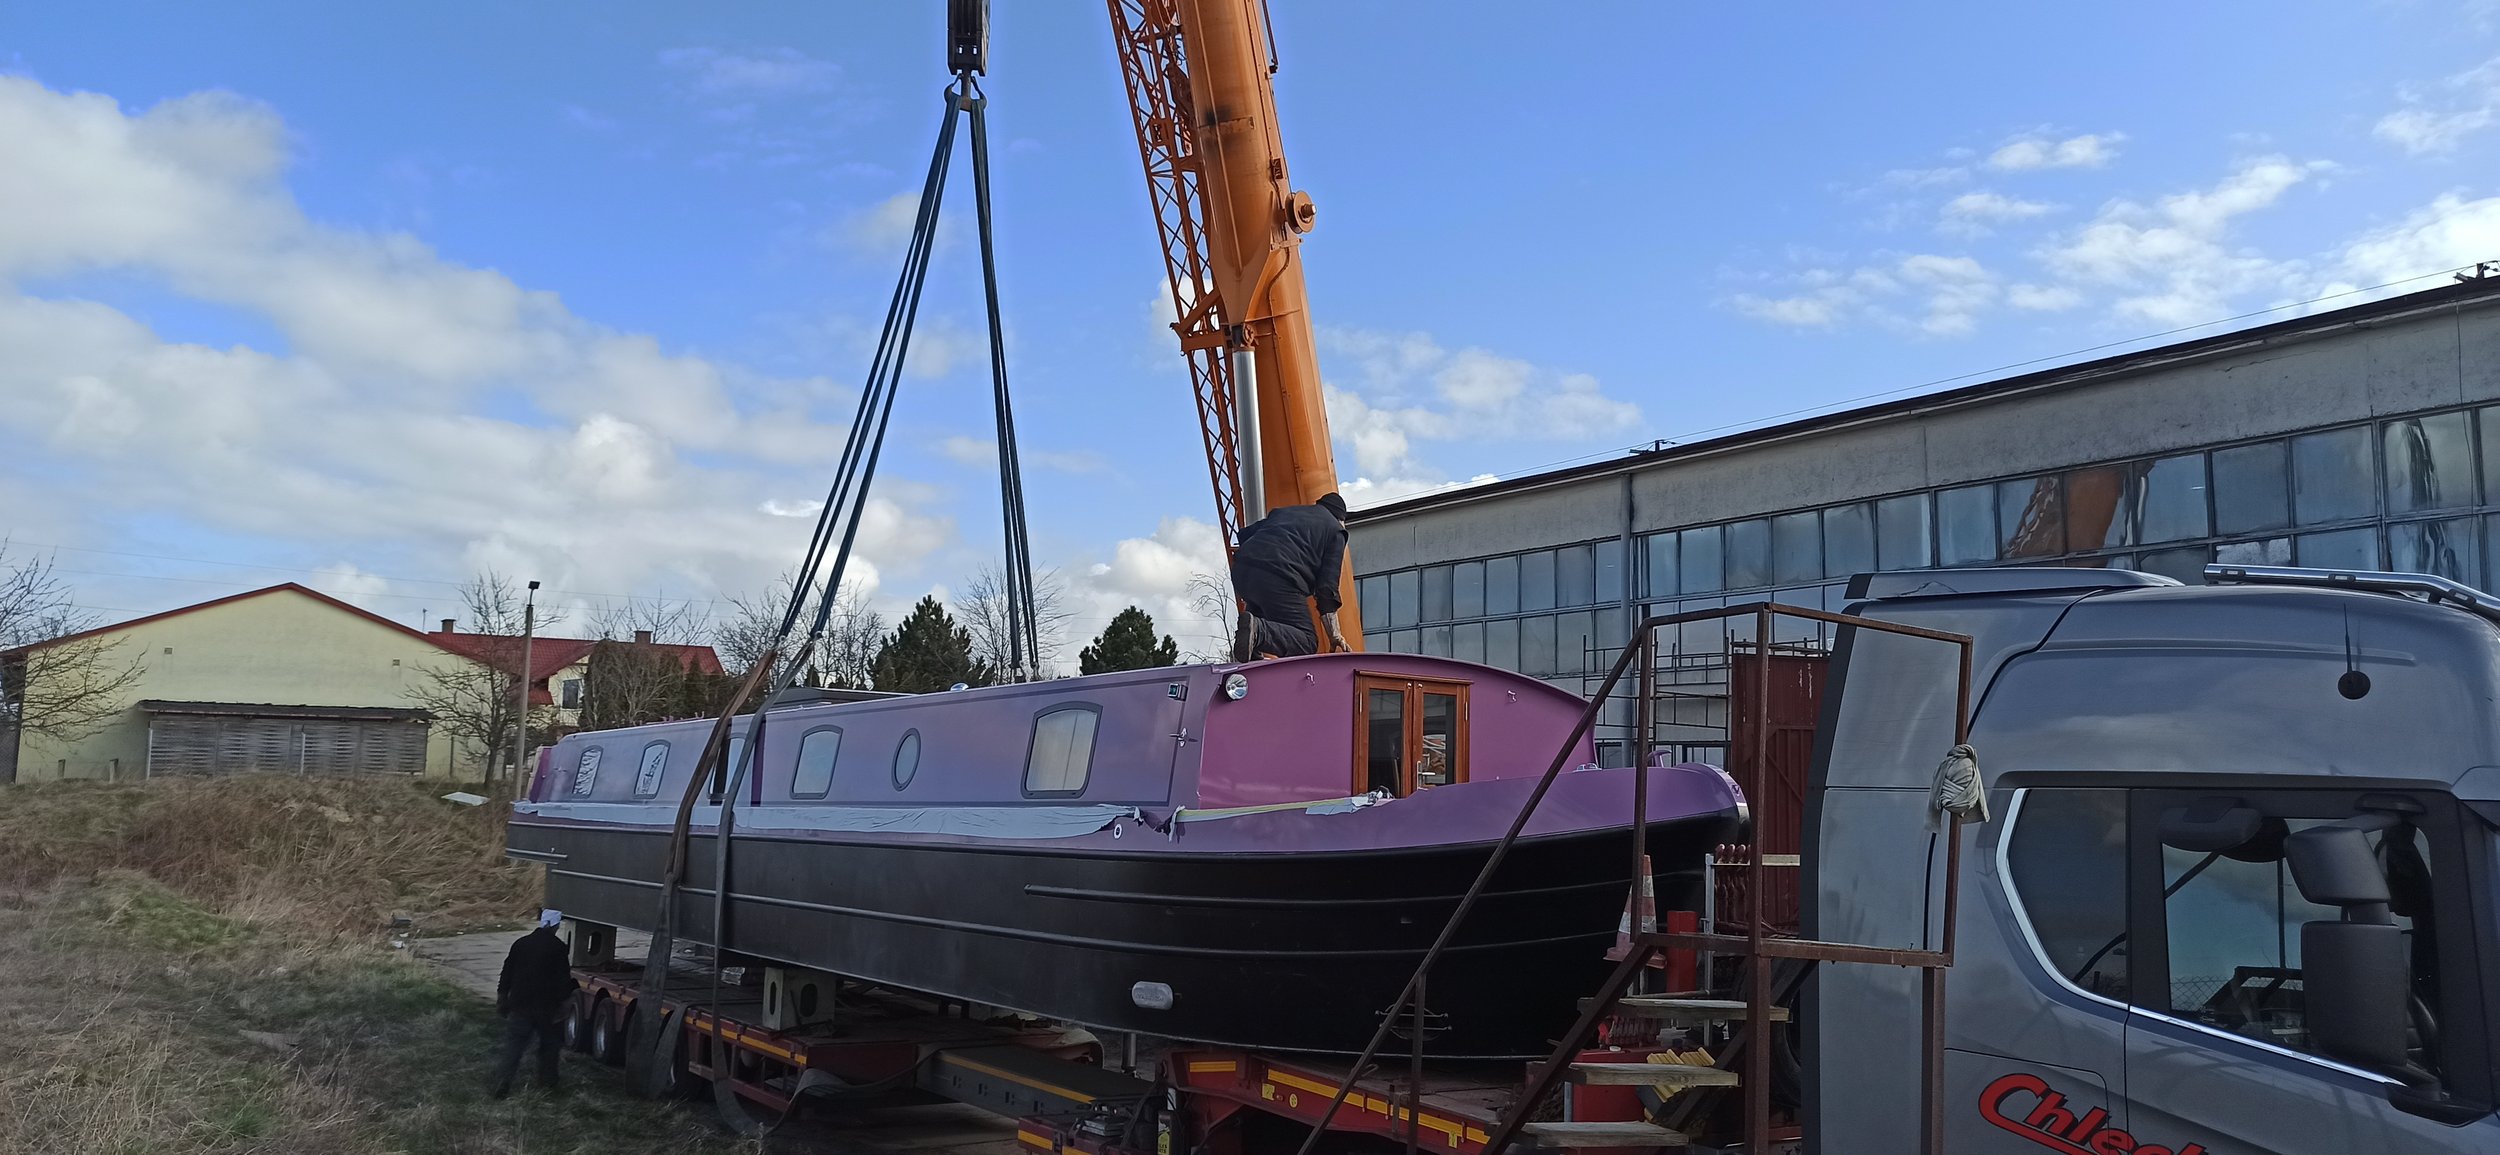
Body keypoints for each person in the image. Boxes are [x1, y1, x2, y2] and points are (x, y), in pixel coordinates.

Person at [1230, 492, 1353, 660]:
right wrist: (1334, 634)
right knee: (1306, 641)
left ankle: (1253, 652)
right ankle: (1259, 631)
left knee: (1251, 625)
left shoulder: (1287, 513)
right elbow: (1326, 588)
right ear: (1341, 519)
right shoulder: (1336, 530)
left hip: (1242, 571)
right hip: (1279, 577)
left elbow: (1245, 534)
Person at [489, 908, 577, 1098]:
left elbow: (507, 972)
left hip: (520, 1006)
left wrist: (502, 997)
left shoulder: (521, 944)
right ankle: (548, 1085)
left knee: (514, 1047)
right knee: (549, 1047)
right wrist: (564, 1004)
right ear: (555, 925)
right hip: (546, 1008)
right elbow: (563, 979)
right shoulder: (558, 948)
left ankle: (502, 1082)